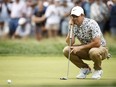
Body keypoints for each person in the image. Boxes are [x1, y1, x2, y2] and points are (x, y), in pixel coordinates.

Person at [63, 6, 109, 79]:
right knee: (67, 50)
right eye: (73, 16)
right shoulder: (73, 25)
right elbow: (70, 43)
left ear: (82, 15)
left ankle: (98, 69)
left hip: (100, 48)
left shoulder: (92, 23)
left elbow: (97, 43)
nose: (74, 18)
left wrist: (80, 48)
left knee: (93, 51)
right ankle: (85, 69)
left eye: (76, 16)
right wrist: (71, 27)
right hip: (87, 49)